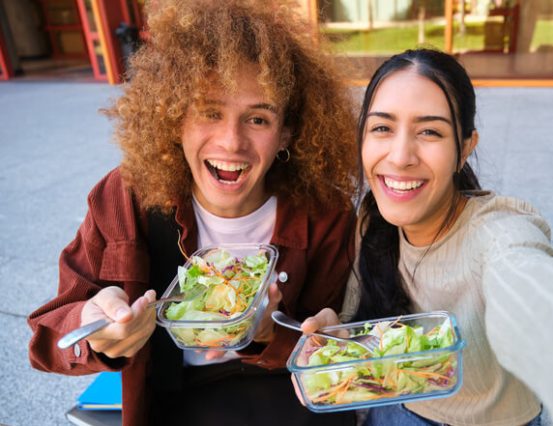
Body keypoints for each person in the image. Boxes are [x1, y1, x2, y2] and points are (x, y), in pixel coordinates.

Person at [298, 48, 553, 426]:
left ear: (465, 148)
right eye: (382, 127)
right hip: (393, 409)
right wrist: (342, 335)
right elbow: (362, 318)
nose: (400, 155)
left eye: (431, 132)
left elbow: (531, 288)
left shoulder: (496, 234)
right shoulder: (374, 218)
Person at [27, 1, 358, 425]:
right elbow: (47, 336)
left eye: (258, 118)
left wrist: (274, 334)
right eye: (209, 111)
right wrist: (95, 331)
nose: (231, 142)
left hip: (288, 392)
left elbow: (334, 343)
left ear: (286, 134)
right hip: (174, 398)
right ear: (174, 116)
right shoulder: (125, 197)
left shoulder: (325, 213)